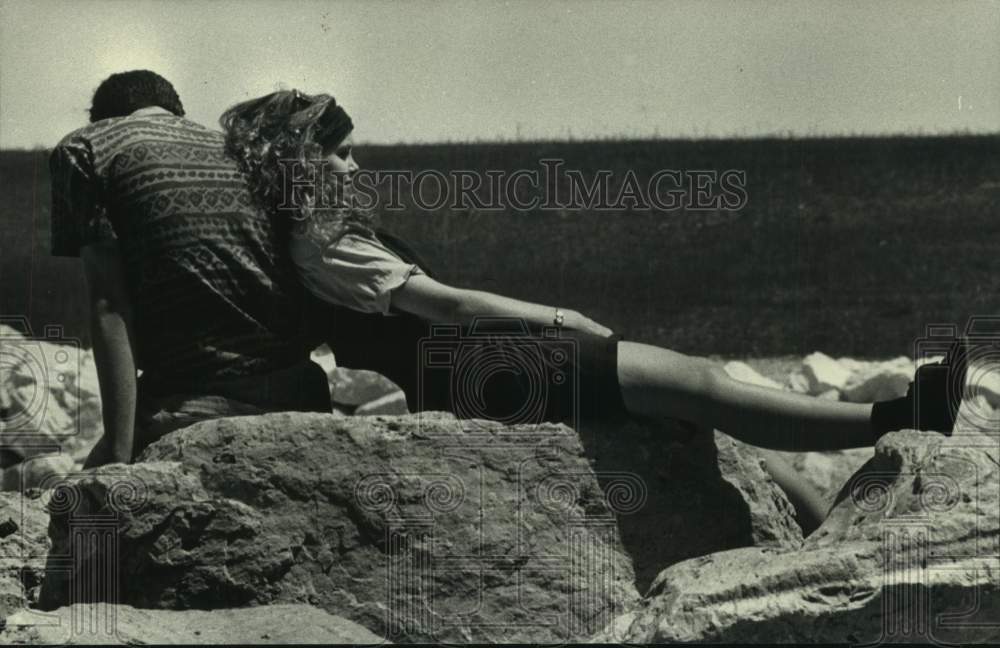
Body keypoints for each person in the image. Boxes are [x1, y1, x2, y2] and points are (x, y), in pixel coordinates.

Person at [220, 90, 968, 532]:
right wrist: (557, 317)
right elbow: (442, 305)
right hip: (476, 371)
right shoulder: (326, 243)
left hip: (465, 372)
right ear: (299, 162)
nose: (353, 164)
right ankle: (899, 418)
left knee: (703, 416)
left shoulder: (322, 238)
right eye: (337, 153)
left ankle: (840, 504)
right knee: (699, 387)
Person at [50, 71, 333, 468]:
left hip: (196, 407)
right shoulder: (237, 147)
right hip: (301, 392)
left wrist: (116, 454)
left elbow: (109, 304)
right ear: (177, 114)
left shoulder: (88, 147)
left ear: (104, 119)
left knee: (79, 510)